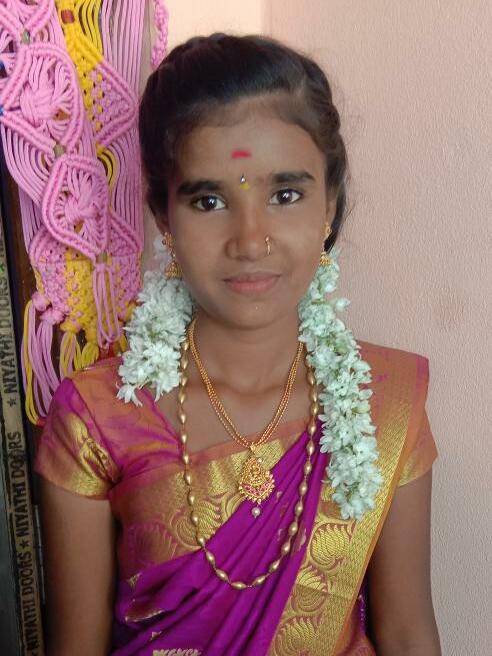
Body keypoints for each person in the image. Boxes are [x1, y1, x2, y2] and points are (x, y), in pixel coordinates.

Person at [35, 34, 441, 655]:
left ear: (330, 202)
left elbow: (409, 634)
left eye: (285, 195)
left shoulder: (384, 403)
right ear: (164, 216)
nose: (250, 241)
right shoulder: (97, 417)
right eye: (209, 200)